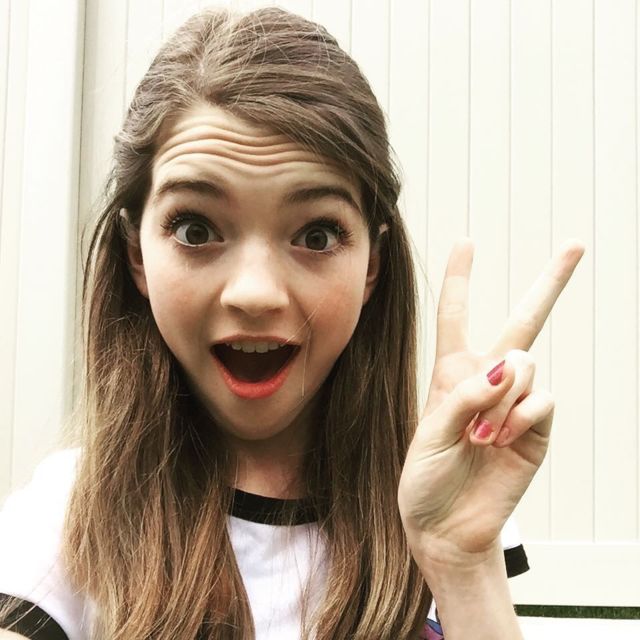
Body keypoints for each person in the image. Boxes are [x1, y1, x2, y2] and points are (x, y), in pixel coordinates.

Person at [0, 6, 584, 640]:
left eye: (316, 235)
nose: (255, 293)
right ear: (137, 255)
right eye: (195, 229)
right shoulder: (65, 522)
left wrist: (463, 564)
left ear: (372, 266)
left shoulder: (447, 491)